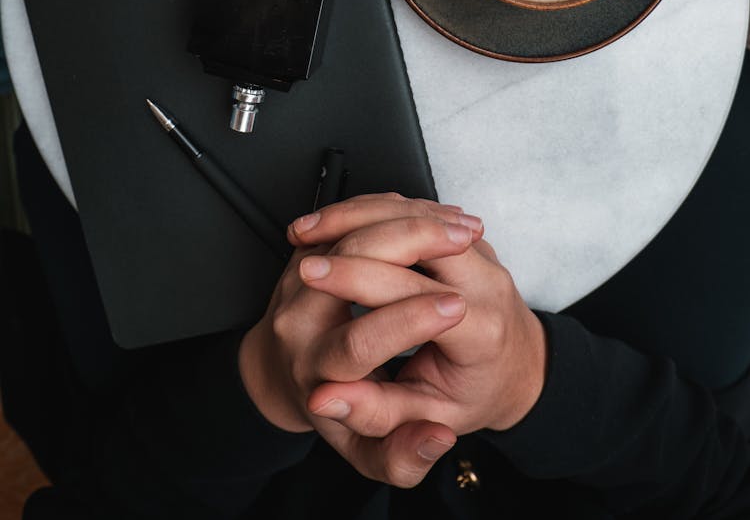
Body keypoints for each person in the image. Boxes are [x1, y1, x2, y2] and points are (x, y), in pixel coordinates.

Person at [7, 92, 750, 519]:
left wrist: (263, 389)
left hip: (219, 396)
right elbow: (723, 481)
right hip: (593, 394)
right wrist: (529, 380)